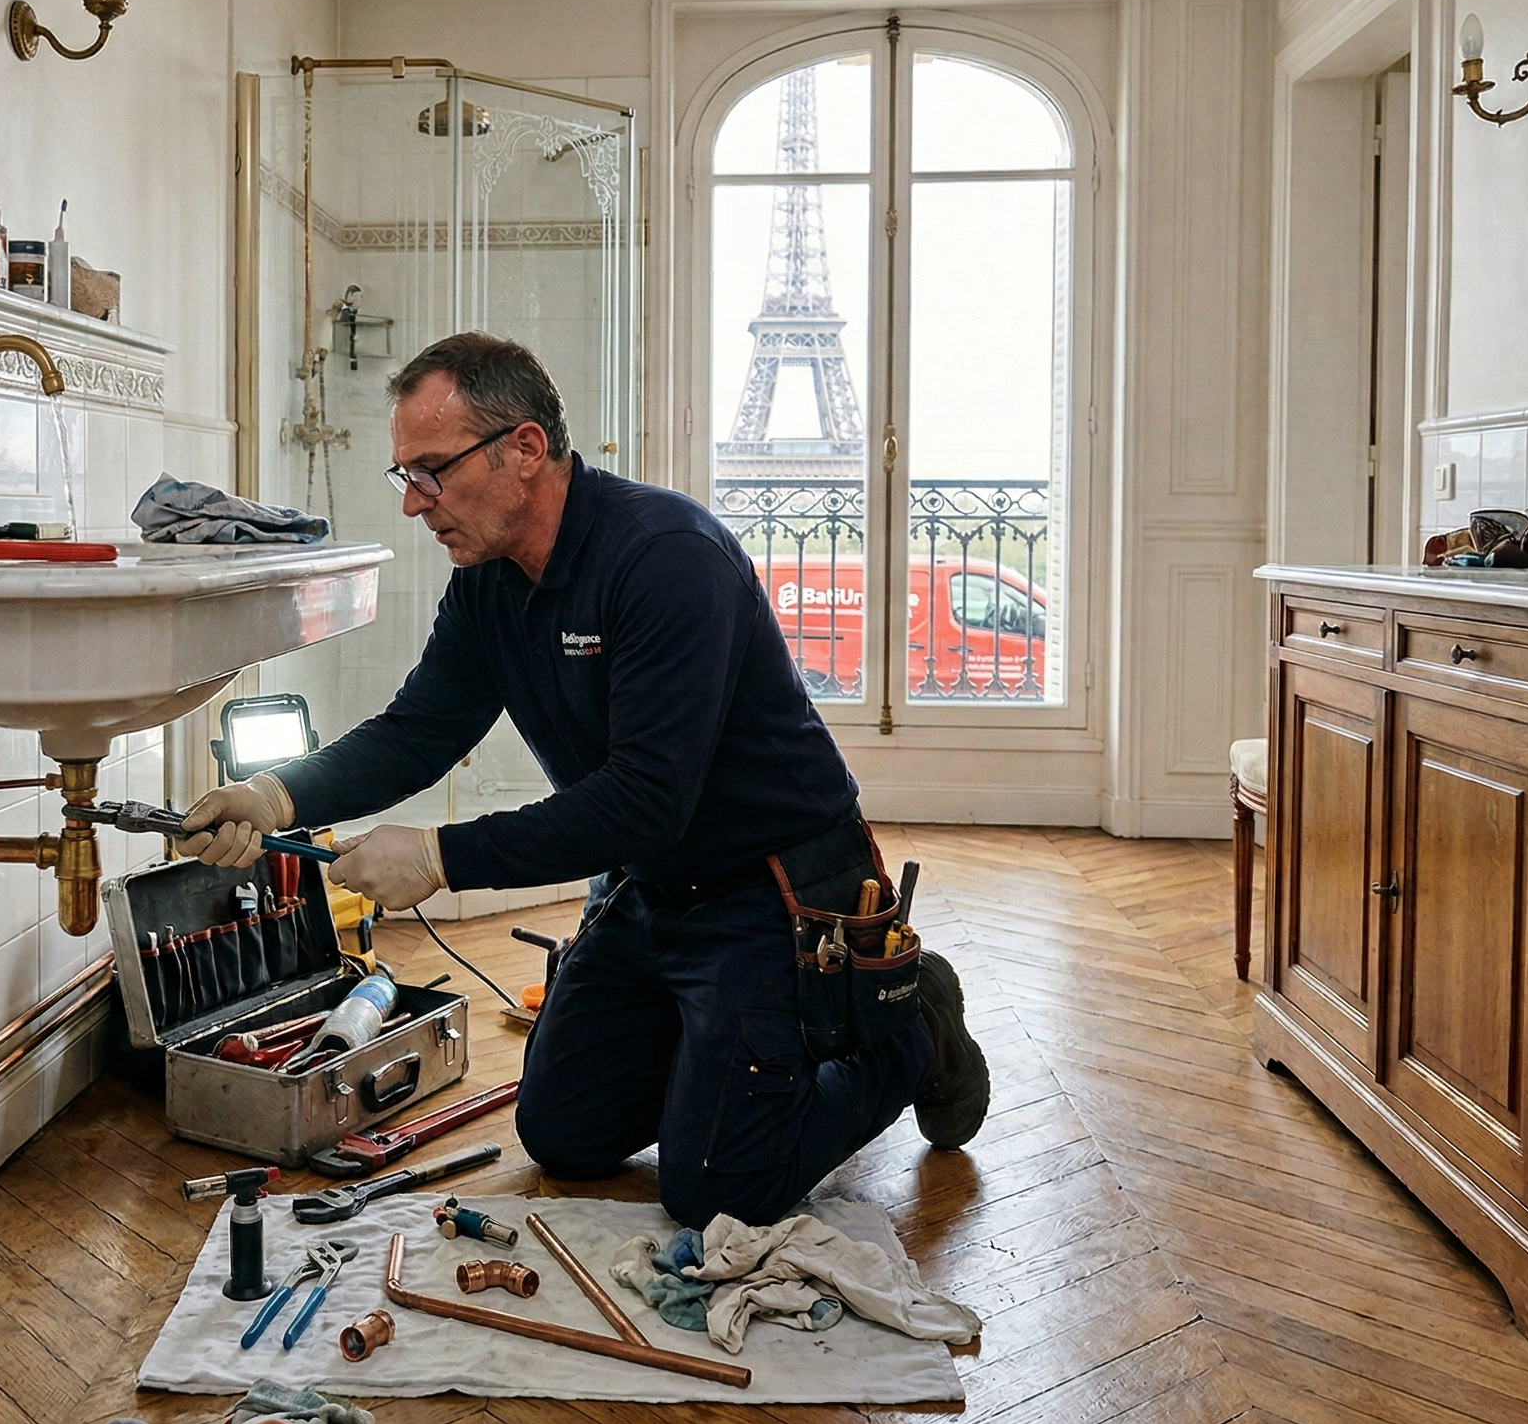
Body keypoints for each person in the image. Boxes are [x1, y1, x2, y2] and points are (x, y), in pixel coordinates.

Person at [179, 332, 989, 1227]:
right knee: (564, 1132)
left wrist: (443, 857)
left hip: (772, 886)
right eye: (404, 476)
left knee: (717, 1190)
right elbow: (420, 731)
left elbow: (646, 798)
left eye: (431, 472)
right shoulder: (489, 581)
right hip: (652, 885)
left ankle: (913, 1028)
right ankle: (718, 1047)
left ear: (524, 450)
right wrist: (276, 795)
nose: (416, 505)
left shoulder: (666, 558)